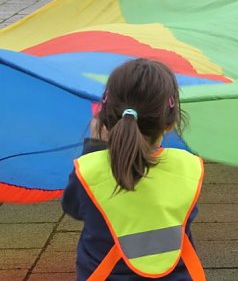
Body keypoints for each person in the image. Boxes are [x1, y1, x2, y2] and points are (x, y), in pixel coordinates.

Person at [62, 59, 205, 280]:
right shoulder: (188, 166)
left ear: (106, 118)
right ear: (170, 122)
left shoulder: (89, 170)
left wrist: (94, 148)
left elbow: (73, 208)